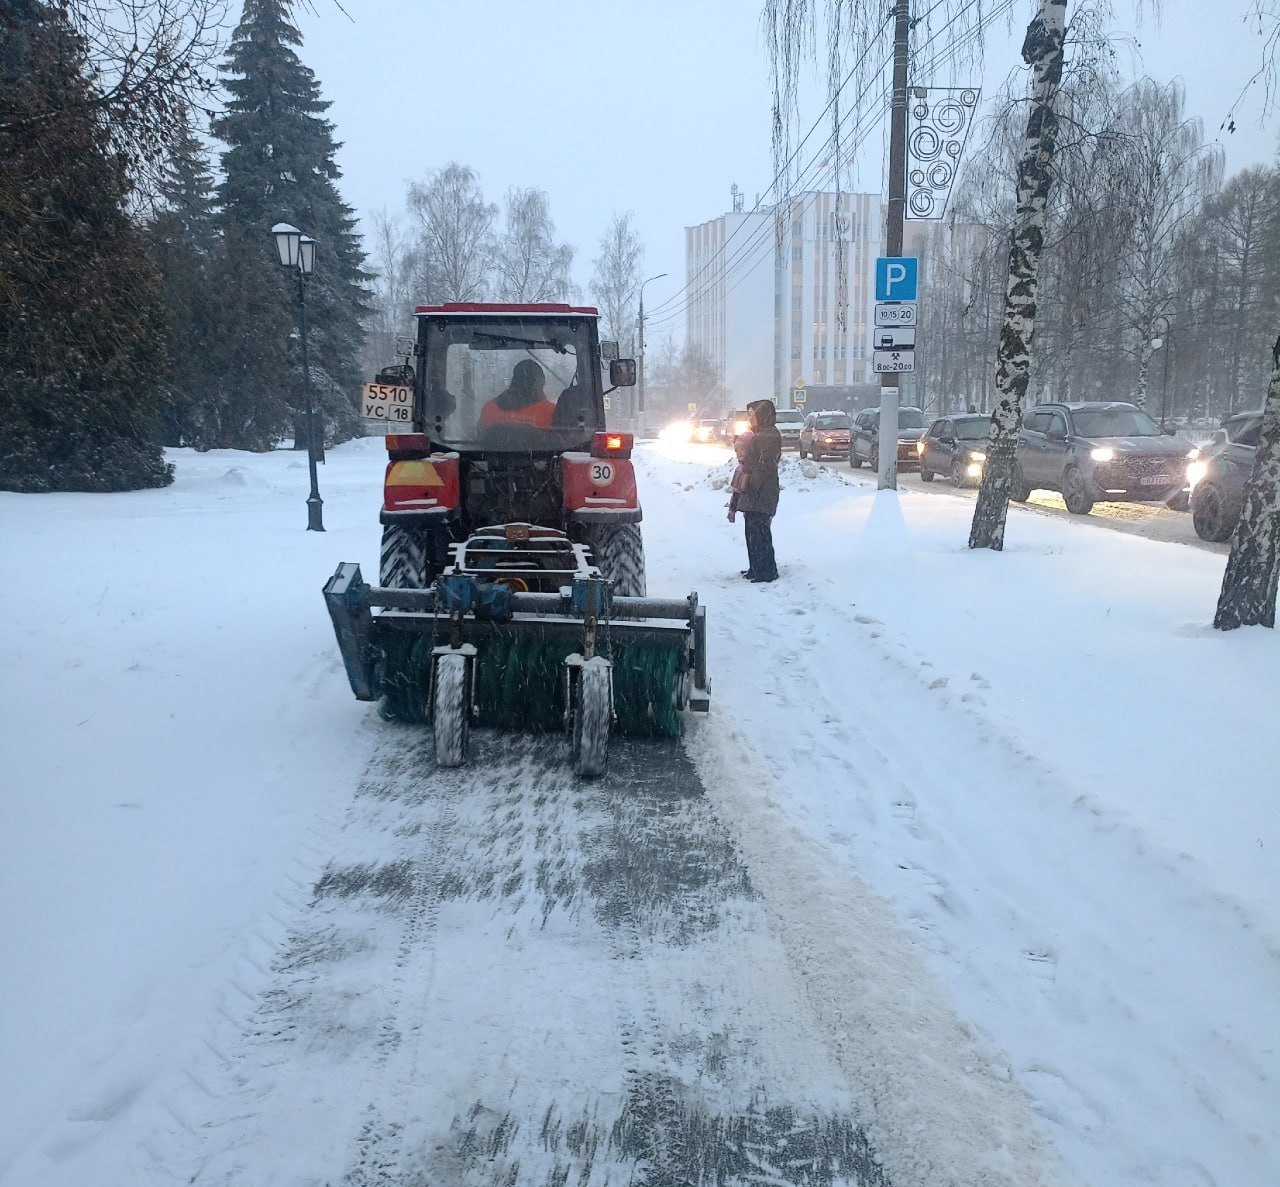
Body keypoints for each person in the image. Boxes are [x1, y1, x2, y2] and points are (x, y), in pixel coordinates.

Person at [735, 400, 781, 582]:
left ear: (762, 415)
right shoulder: (760, 433)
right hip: (755, 490)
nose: (750, 418)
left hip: (763, 491)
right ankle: (755, 568)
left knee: (760, 532)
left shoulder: (769, 435)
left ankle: (767, 571)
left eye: (752, 414)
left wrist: (753, 483)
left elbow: (766, 464)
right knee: (751, 531)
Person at [479, 359, 556, 431]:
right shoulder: (551, 412)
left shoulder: (489, 409)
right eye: (542, 385)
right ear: (537, 385)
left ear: (513, 381)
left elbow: (480, 439)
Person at [726, 428, 753, 522]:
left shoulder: (757, 470)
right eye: (736, 451)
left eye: (743, 449)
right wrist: (732, 510)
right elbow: (736, 493)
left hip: (758, 512)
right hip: (747, 512)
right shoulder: (740, 470)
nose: (739, 453)